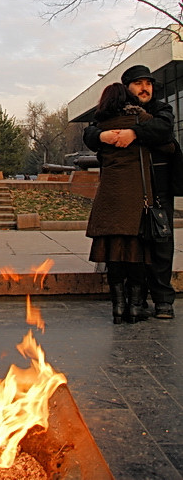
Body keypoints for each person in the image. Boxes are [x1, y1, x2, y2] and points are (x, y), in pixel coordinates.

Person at [84, 65, 177, 319]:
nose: (145, 88)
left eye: (148, 83)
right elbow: (90, 132)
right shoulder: (114, 114)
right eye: (138, 83)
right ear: (127, 88)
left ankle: (163, 301)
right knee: (136, 245)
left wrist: (133, 132)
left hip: (157, 187)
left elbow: (164, 130)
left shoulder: (160, 109)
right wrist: (103, 136)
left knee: (159, 244)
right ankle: (138, 300)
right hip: (133, 189)